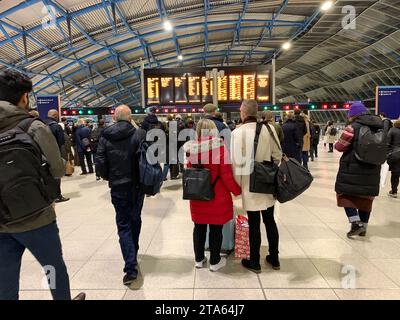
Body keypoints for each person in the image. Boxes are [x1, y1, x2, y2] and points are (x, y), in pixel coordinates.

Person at [0, 69, 85, 300]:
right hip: (37, 217)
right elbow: (58, 169)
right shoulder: (33, 127)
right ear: (25, 97)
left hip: (2, 221)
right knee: (53, 267)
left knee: (5, 277)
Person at [96, 105, 146, 286]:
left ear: (115, 118)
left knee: (123, 224)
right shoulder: (139, 134)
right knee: (135, 219)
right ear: (130, 117)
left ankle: (130, 267)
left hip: (118, 187)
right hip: (137, 187)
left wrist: (110, 176)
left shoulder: (105, 136)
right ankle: (134, 249)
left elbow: (100, 163)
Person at [232, 100, 282, 273]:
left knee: (254, 223)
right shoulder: (270, 129)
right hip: (268, 181)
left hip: (248, 183)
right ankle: (274, 258)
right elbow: (278, 155)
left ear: (244, 113)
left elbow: (236, 163)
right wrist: (268, 171)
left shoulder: (237, 133)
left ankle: (255, 261)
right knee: (270, 220)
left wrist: (238, 187)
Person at [185, 119, 241, 271]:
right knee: (216, 229)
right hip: (217, 195)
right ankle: (215, 261)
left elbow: (190, 171)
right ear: (214, 130)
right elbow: (226, 175)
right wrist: (237, 191)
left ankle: (199, 259)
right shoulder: (220, 148)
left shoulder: (191, 149)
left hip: (197, 194)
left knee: (199, 227)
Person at [335, 102, 384, 238]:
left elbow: (340, 146)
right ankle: (364, 227)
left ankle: (355, 223)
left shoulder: (352, 128)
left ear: (353, 115)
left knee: (345, 195)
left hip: (352, 167)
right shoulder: (379, 126)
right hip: (373, 168)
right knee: (366, 197)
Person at [44, 109, 70, 202]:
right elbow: (61, 142)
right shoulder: (56, 126)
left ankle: (48, 196)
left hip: (43, 154)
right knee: (56, 175)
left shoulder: (41, 124)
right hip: (54, 153)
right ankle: (57, 196)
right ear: (55, 116)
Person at [388, 119, 400, 198]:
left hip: (395, 155)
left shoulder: (392, 130)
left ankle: (394, 191)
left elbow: (387, 143)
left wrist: (387, 154)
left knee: (395, 174)